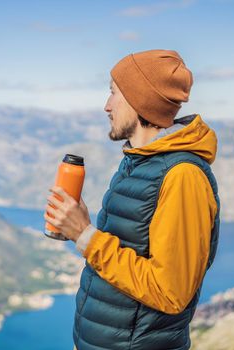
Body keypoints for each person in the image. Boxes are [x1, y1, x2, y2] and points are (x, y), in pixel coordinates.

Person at [44, 49, 220, 350]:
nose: (106, 106)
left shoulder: (183, 176)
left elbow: (171, 292)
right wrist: (81, 223)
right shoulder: (139, 162)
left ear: (139, 100)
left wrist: (85, 236)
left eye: (113, 93)